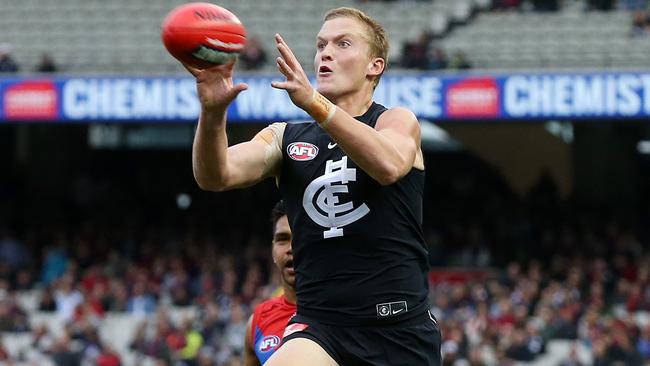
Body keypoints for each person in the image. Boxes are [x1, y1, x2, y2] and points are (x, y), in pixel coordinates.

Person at [185, 6, 441, 366]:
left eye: (343, 43)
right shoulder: (285, 136)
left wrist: (315, 105)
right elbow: (215, 176)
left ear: (375, 66)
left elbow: (388, 165)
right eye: (321, 45)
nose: (326, 53)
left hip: (397, 327)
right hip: (321, 326)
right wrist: (212, 114)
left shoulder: (395, 120)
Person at [244, 201, 297, 365]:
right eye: (283, 239)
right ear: (273, 251)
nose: (291, 248)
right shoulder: (257, 322)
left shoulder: (343, 311)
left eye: (300, 237)